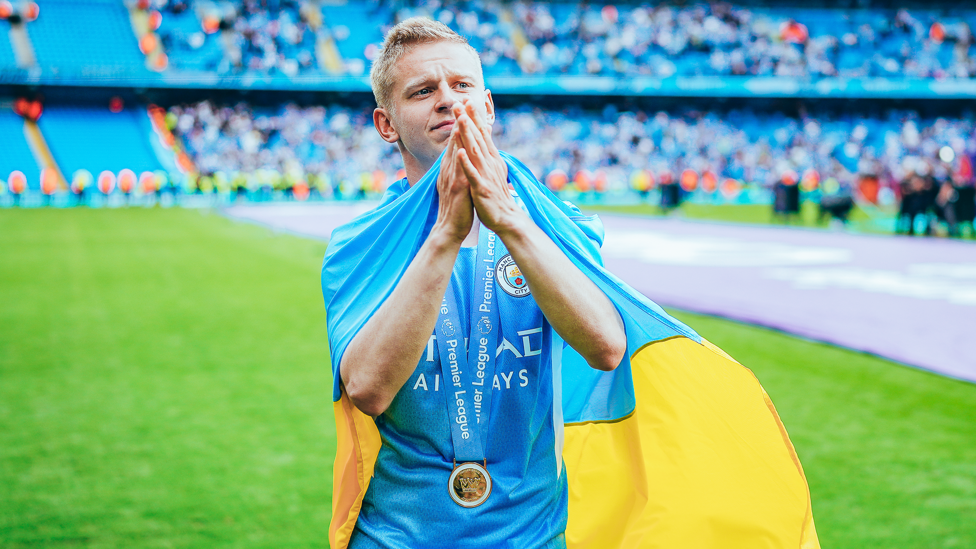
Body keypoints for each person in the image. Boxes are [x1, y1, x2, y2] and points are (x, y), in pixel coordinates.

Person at [331, 17, 626, 548]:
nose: (447, 100)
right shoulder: (361, 242)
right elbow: (369, 391)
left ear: (487, 107)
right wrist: (445, 235)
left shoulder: (558, 222)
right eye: (423, 91)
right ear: (386, 124)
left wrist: (511, 221)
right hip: (397, 538)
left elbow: (605, 346)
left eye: (462, 86)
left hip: (531, 537)